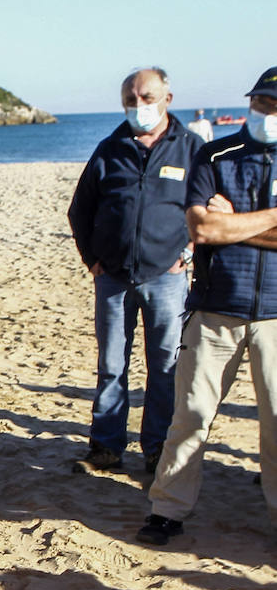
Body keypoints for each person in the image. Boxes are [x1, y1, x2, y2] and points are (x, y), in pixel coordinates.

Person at [137, 67, 277, 545]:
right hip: (216, 307)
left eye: (275, 106)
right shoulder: (217, 153)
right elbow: (203, 230)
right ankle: (167, 511)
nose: (267, 113)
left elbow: (223, 227)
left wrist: (238, 222)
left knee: (276, 423)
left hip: (276, 316)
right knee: (190, 415)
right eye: (262, 103)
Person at [67, 68, 203, 476]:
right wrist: (91, 258)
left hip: (167, 276)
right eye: (131, 99)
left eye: (147, 97)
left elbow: (207, 209)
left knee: (163, 366)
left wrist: (191, 253)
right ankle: (106, 447)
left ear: (167, 98)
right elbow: (80, 209)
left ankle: (157, 448)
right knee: (112, 365)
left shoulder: (191, 148)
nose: (139, 106)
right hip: (112, 278)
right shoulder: (110, 148)